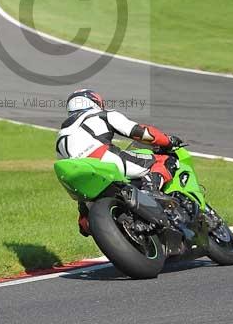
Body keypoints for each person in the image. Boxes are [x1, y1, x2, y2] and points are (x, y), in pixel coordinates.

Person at [56, 89, 183, 236]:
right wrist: (167, 141)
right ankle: (150, 190)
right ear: (95, 102)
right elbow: (139, 132)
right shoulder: (102, 114)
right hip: (105, 159)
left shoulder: (61, 135)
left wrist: (84, 212)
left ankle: (85, 220)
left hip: (86, 177)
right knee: (165, 161)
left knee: (85, 211)